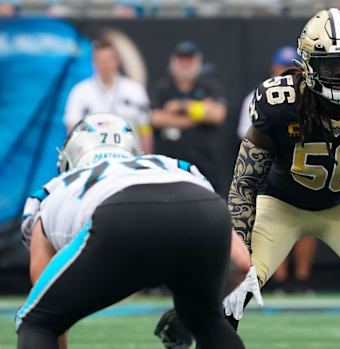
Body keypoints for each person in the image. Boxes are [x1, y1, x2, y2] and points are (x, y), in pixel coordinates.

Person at [226, 7, 340, 322]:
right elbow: (245, 182)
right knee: (230, 291)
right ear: (307, 64)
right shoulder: (279, 104)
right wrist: (239, 252)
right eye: (331, 65)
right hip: (280, 206)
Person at [16, 113, 248, 349]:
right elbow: (241, 263)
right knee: (208, 320)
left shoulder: (52, 192)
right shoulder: (173, 166)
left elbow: (47, 307)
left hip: (117, 218)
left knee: (35, 321)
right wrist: (192, 312)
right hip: (203, 206)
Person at [237, 45, 317, 293]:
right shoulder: (258, 96)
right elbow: (247, 138)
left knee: (308, 221)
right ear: (273, 68)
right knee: (273, 224)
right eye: (283, 67)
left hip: (304, 165)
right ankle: (279, 280)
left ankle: (301, 280)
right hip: (271, 167)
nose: (286, 72)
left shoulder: (313, 96)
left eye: (291, 67)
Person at [150, 40, 227, 192]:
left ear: (198, 62)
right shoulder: (162, 87)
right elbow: (155, 118)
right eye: (181, 60)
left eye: (189, 60)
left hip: (205, 168)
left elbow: (217, 114)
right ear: (173, 62)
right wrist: (198, 113)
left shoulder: (209, 86)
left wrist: (181, 106)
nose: (185, 64)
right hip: (168, 168)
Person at [64, 39, 153, 153]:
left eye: (108, 60)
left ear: (117, 61)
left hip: (129, 157)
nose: (105, 64)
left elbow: (145, 129)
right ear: (93, 62)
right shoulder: (80, 91)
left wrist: (145, 160)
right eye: (100, 60)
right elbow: (72, 131)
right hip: (92, 157)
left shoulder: (135, 90)